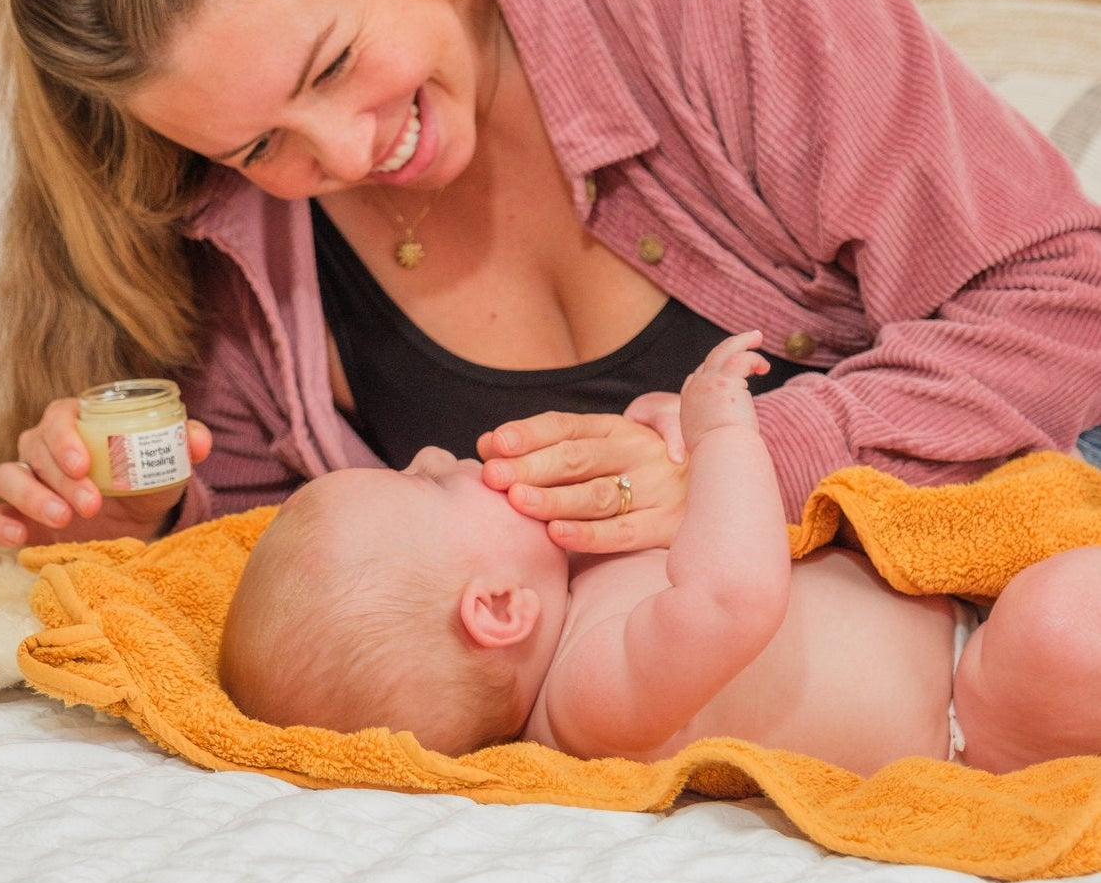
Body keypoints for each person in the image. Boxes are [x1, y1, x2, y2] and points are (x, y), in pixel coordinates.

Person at [0, 0, 1101, 554]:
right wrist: (135, 521)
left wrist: (748, 458)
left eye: (335, 64)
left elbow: (1065, 302)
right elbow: (267, 540)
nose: (341, 156)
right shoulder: (240, 233)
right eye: (258, 144)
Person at [218, 332, 1101, 777]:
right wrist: (721, 435)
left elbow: (698, 533)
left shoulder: (580, 590)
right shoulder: (590, 697)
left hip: (957, 611)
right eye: (430, 486)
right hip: (967, 708)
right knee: (1066, 623)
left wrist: (661, 437)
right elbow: (731, 596)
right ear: (493, 610)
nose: (440, 455)